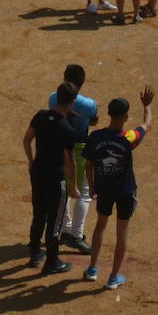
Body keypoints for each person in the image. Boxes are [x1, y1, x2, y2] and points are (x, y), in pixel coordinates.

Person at [84, 85, 153, 290]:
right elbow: (147, 125)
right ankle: (113, 277)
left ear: (108, 114)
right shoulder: (128, 138)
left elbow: (88, 165)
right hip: (125, 191)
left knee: (100, 225)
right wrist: (147, 105)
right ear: (125, 116)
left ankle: (92, 269)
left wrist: (92, 186)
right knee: (121, 231)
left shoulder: (95, 137)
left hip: (103, 188)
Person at [23, 81, 85, 274]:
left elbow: (27, 140)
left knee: (38, 214)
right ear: (72, 102)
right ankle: (52, 261)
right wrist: (74, 186)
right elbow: (71, 162)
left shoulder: (41, 116)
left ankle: (34, 253)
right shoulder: (66, 129)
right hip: (55, 179)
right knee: (55, 220)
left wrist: (31, 161)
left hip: (38, 172)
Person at [50, 63, 99, 255]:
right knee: (84, 193)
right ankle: (77, 235)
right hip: (80, 148)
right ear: (83, 82)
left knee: (64, 189)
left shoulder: (53, 98)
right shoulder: (89, 104)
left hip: (59, 147)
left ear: (64, 78)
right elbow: (94, 120)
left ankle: (65, 227)